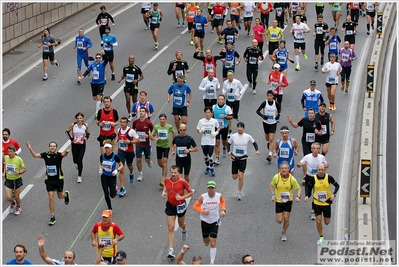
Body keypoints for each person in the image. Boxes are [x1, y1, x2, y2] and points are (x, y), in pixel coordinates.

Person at [26, 141, 70, 225]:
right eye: (51, 146)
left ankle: (66, 195)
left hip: (58, 179)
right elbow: (35, 155)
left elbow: (64, 154)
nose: (52, 147)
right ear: (49, 147)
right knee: (51, 197)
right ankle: (52, 216)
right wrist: (30, 148)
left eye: (54, 146)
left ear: (56, 148)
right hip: (49, 180)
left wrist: (67, 152)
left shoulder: (58, 155)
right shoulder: (45, 154)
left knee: (60, 196)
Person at [162, 165, 194, 259]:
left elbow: (191, 192)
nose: (173, 174)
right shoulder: (167, 180)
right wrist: (164, 192)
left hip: (180, 206)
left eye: (175, 172)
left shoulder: (183, 182)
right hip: (170, 205)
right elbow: (166, 186)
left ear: (179, 173)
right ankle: (171, 250)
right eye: (171, 172)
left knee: (181, 224)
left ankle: (184, 229)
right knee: (171, 227)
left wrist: (182, 197)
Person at [305, 163, 340, 245]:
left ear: (325, 170)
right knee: (318, 221)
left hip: (326, 203)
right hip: (317, 203)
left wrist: (334, 194)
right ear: (317, 170)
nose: (320, 171)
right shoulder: (314, 179)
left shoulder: (329, 178)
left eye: (322, 170)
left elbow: (337, 186)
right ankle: (321, 236)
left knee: (327, 222)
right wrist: (307, 195)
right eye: (319, 170)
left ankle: (326, 222)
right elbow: (308, 186)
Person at [193, 181, 226, 264]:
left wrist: (223, 210)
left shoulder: (219, 196)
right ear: (207, 188)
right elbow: (195, 206)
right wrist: (202, 211)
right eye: (209, 188)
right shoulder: (203, 197)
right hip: (205, 221)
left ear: (215, 188)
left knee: (213, 241)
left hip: (215, 221)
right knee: (206, 240)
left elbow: (222, 201)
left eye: (212, 188)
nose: (211, 190)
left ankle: (212, 262)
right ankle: (206, 241)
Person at [228, 122, 260, 200]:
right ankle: (237, 175)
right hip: (235, 158)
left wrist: (257, 150)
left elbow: (254, 143)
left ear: (243, 128)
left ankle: (239, 192)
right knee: (234, 177)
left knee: (240, 176)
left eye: (241, 127)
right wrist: (229, 151)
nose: (239, 129)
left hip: (243, 159)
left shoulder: (247, 136)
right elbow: (228, 144)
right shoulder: (233, 136)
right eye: (238, 127)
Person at [270, 161, 301, 241]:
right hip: (279, 201)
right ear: (280, 169)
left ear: (288, 169)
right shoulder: (276, 177)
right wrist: (272, 195)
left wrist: (298, 196)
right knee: (279, 220)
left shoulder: (292, 179)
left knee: (286, 218)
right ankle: (282, 216)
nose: (284, 170)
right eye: (282, 168)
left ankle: (283, 233)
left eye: (286, 168)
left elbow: (298, 188)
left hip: (288, 201)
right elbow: (271, 185)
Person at [297, 143, 328, 219]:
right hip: (309, 177)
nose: (316, 150)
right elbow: (298, 164)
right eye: (314, 148)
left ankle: (313, 211)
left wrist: (324, 166)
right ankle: (307, 196)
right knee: (308, 193)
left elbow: (326, 164)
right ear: (311, 150)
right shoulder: (307, 157)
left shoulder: (321, 157)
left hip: (318, 178)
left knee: (315, 194)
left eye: (318, 148)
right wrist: (300, 165)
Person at [116, 117, 140, 196]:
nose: (122, 124)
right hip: (121, 152)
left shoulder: (131, 131)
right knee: (121, 168)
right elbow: (119, 137)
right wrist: (116, 140)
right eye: (121, 122)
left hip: (129, 152)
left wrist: (130, 142)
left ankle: (131, 173)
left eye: (124, 122)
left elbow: (138, 140)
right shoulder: (118, 130)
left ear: (127, 123)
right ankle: (123, 188)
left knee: (129, 165)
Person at [256, 90, 281, 163]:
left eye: (271, 96)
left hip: (273, 123)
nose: (269, 97)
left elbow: (279, 110)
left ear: (273, 96)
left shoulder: (276, 103)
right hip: (266, 123)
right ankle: (270, 144)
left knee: (271, 138)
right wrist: (263, 116)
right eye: (268, 96)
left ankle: (270, 155)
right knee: (267, 138)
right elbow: (257, 111)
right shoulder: (264, 103)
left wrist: (278, 116)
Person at [117, 55, 144, 121]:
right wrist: (120, 79)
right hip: (127, 86)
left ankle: (139, 108)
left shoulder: (137, 68)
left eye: (131, 59)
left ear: (134, 60)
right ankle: (130, 114)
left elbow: (142, 76)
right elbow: (124, 75)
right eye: (129, 59)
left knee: (134, 101)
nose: (130, 60)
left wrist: (137, 80)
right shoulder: (125, 67)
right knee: (128, 100)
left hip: (134, 86)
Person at [65, 112, 90, 183]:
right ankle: (77, 164)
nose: (79, 119)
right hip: (75, 144)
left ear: (83, 119)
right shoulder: (73, 125)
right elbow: (66, 132)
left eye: (80, 118)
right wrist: (71, 139)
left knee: (80, 159)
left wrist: (86, 137)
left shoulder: (85, 126)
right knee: (75, 160)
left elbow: (88, 133)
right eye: (78, 118)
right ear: (76, 119)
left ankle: (79, 176)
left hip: (82, 145)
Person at [152, 114, 176, 187]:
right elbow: (151, 134)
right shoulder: (156, 127)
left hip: (166, 146)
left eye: (163, 119)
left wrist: (173, 140)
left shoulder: (169, 127)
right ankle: (165, 169)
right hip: (159, 146)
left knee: (165, 162)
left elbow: (173, 132)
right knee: (160, 164)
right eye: (161, 119)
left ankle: (163, 179)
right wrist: (154, 138)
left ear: (166, 120)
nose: (162, 121)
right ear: (159, 120)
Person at [99, 141, 123, 210]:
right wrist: (100, 169)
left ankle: (115, 189)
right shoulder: (102, 156)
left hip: (112, 177)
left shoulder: (115, 156)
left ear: (111, 148)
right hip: (104, 176)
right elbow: (100, 163)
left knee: (112, 195)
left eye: (108, 148)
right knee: (106, 194)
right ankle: (110, 208)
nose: (106, 149)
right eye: (105, 148)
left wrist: (117, 170)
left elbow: (121, 165)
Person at [132, 107, 154, 181]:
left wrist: (149, 136)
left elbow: (154, 132)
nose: (141, 112)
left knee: (147, 159)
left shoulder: (148, 123)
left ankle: (149, 160)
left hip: (147, 144)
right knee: (138, 159)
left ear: (146, 113)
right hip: (138, 144)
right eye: (140, 111)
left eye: (143, 111)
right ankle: (140, 174)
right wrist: (133, 139)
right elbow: (133, 131)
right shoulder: (135, 122)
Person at [197, 107, 220, 177]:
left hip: (211, 141)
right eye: (206, 112)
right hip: (204, 141)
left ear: (211, 113)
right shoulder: (201, 121)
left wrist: (216, 132)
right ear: (204, 113)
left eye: (209, 112)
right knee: (205, 156)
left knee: (210, 155)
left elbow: (218, 127)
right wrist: (201, 130)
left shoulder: (214, 121)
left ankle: (212, 168)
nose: (208, 114)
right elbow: (197, 129)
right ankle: (208, 166)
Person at [3, 146, 26, 215]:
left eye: (11, 152)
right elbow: (5, 166)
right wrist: (3, 174)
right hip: (9, 180)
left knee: (16, 196)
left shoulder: (19, 159)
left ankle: (18, 207)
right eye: (8, 152)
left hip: (17, 180)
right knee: (8, 197)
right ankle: (13, 203)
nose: (9, 153)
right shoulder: (6, 158)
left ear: (14, 152)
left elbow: (24, 168)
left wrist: (19, 172)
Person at [222, 71, 245, 136]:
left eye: (231, 76)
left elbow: (242, 88)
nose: (230, 77)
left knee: (234, 115)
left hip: (236, 100)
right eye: (228, 76)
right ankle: (230, 130)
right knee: (229, 116)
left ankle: (236, 115)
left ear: (233, 76)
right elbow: (223, 89)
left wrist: (239, 93)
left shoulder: (237, 82)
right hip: (228, 100)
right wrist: (224, 92)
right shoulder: (225, 82)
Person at [212, 95, 233, 164]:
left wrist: (225, 116)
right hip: (216, 128)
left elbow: (231, 116)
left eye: (222, 99)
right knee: (217, 142)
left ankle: (224, 147)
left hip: (224, 127)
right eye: (219, 99)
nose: (220, 101)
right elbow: (211, 115)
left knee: (224, 140)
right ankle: (217, 158)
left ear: (224, 100)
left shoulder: (227, 108)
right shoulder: (214, 107)